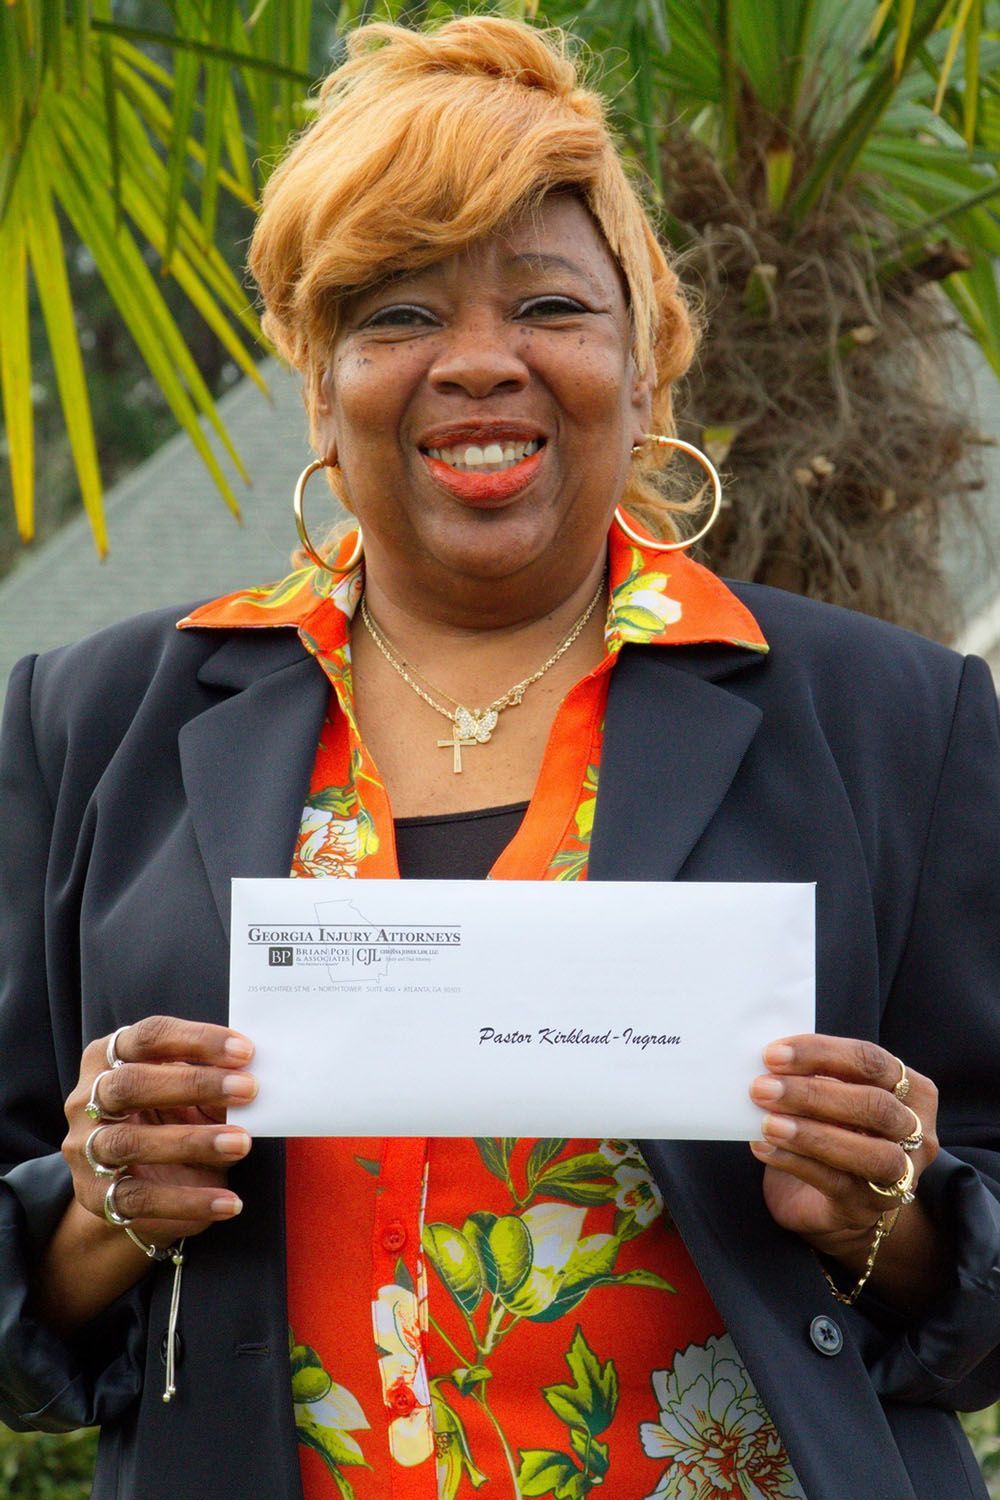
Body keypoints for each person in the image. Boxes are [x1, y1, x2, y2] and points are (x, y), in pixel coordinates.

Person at [0, 17, 997, 1500]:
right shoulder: (92, 726)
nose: (480, 363)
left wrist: (894, 1214)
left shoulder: (891, 721)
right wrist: (99, 1213)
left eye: (550, 304)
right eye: (398, 314)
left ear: (647, 366)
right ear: (319, 381)